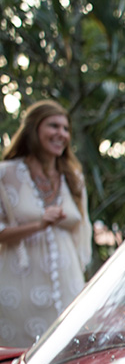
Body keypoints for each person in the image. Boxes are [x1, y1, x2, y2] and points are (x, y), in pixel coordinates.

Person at [0, 100, 91, 347]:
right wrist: (38, 225)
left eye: (65, 128)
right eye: (53, 126)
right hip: (19, 287)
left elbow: (82, 234)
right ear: (34, 129)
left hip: (68, 283)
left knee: (67, 355)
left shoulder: (73, 178)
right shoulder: (5, 174)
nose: (61, 134)